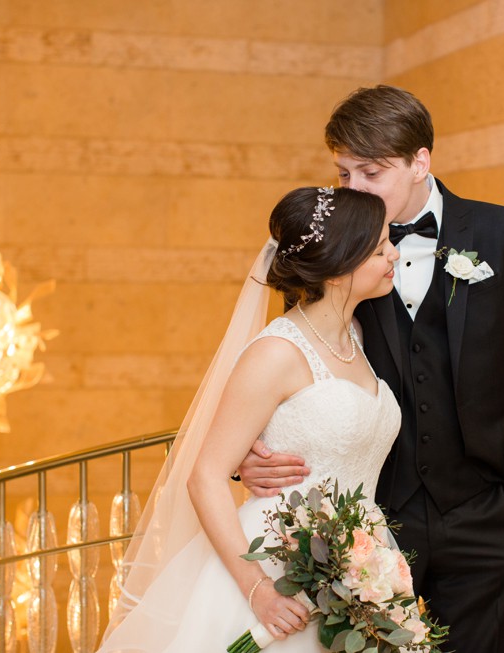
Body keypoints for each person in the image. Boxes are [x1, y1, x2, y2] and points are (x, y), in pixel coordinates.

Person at [238, 85, 504, 652]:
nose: (353, 189)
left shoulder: (503, 235)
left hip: (482, 516)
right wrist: (248, 457)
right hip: (366, 525)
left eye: (371, 173)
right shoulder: (331, 249)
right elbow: (290, 367)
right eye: (343, 173)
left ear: (419, 163)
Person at [97, 186, 404, 651]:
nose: (393, 254)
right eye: (381, 247)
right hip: (279, 563)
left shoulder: (358, 335)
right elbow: (204, 477)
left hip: (362, 560)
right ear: (341, 267)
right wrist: (257, 587)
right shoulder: (276, 353)